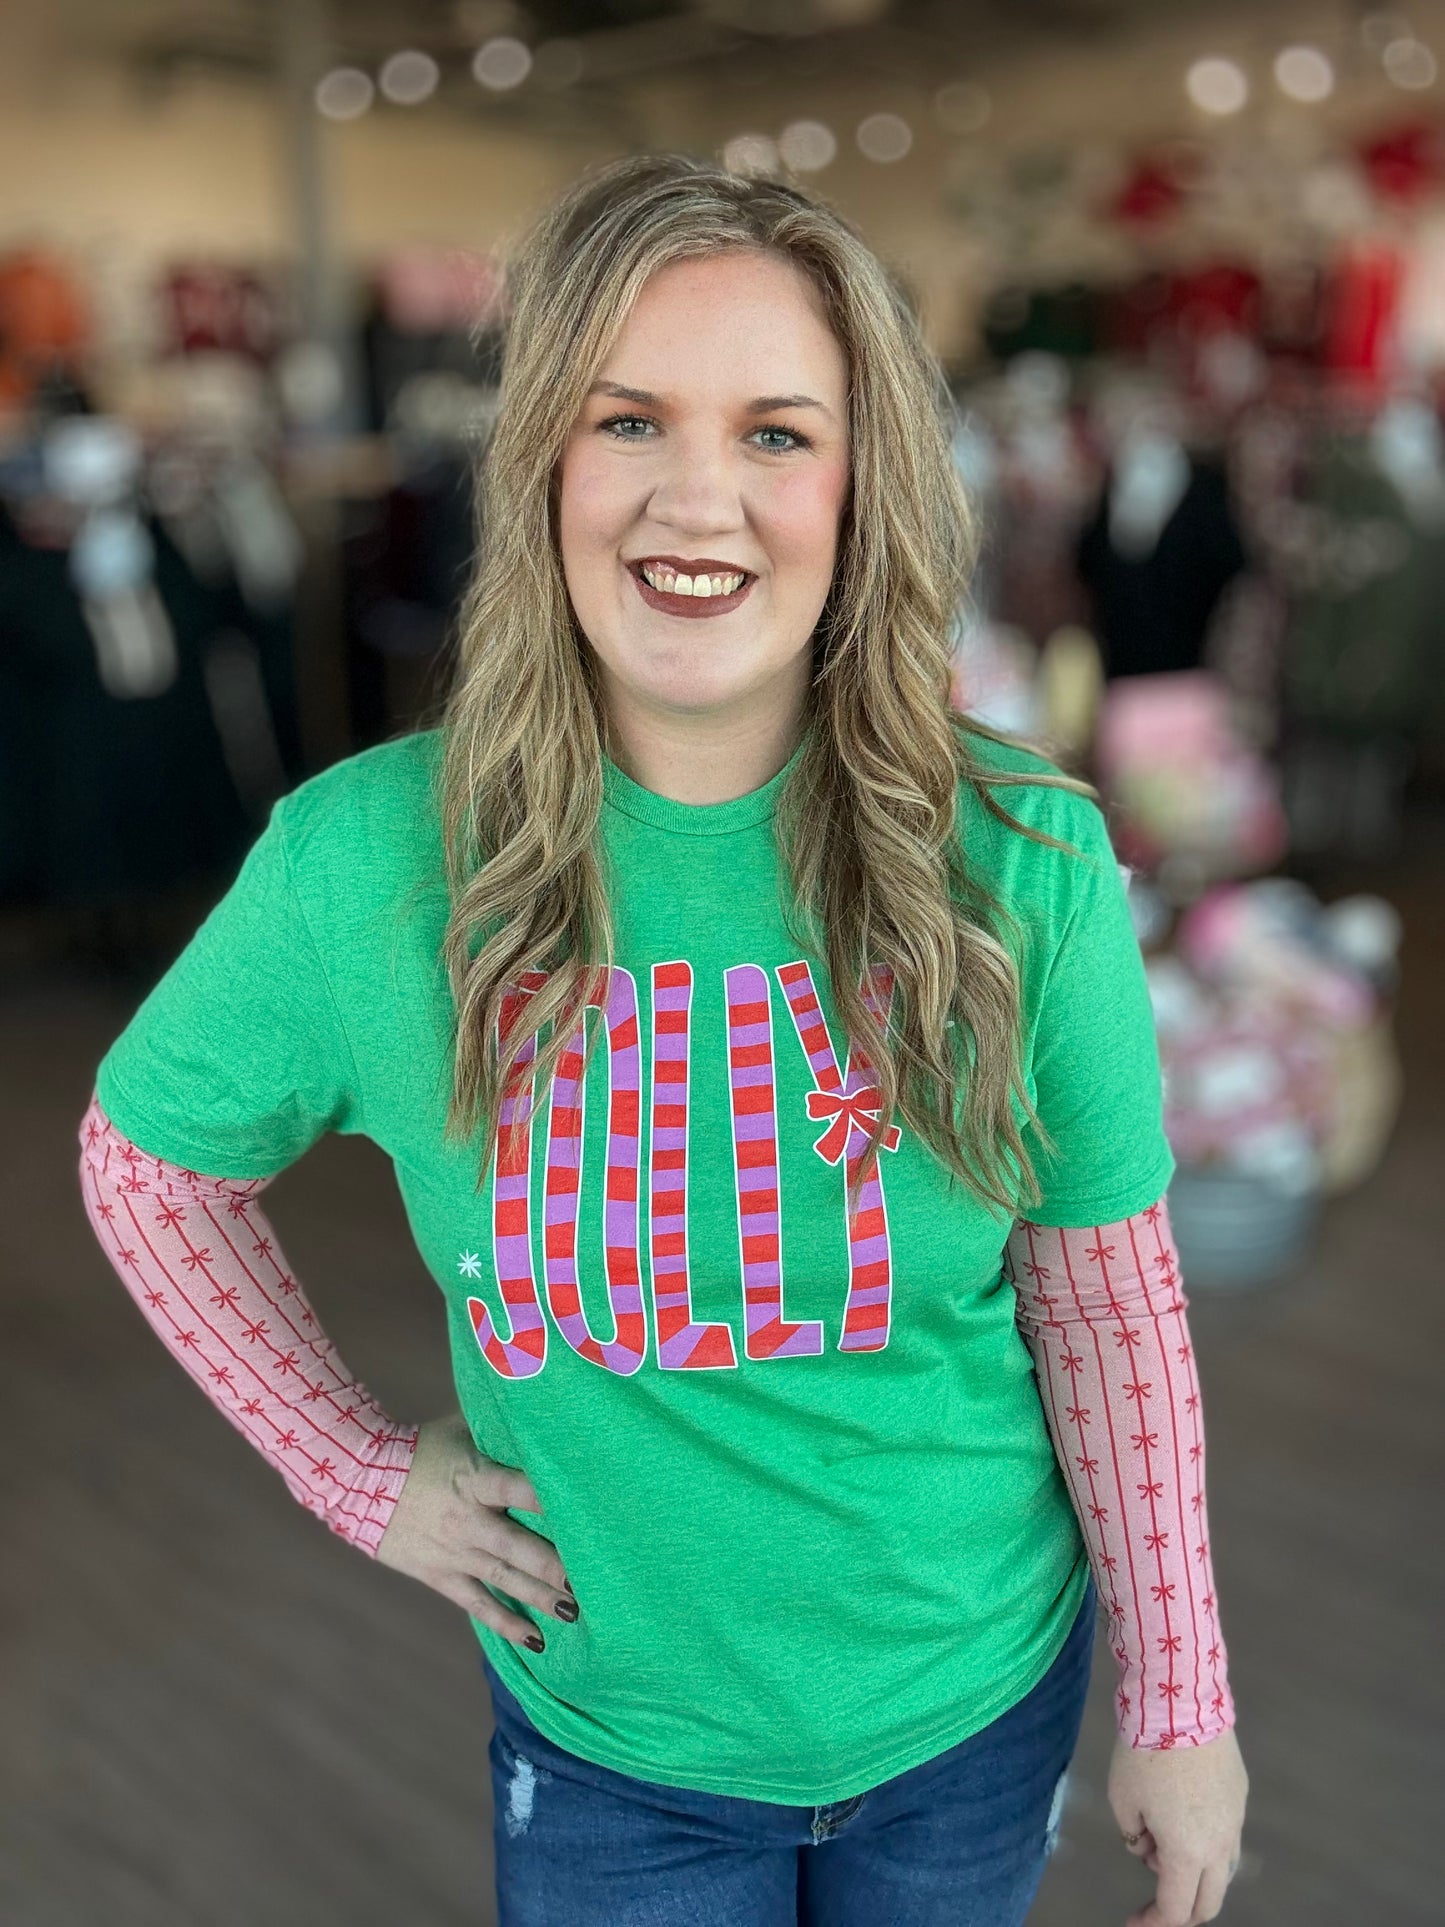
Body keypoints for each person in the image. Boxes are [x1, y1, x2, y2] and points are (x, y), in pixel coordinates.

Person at [78, 153, 1247, 1927]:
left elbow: (1105, 1301)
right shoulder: (367, 864)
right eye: (628, 421)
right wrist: (352, 1474)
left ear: (865, 491)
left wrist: (1180, 1696)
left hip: (970, 1714)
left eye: (778, 433)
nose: (695, 501)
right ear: (543, 456)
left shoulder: (1023, 863)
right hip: (614, 1747)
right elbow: (149, 1166)